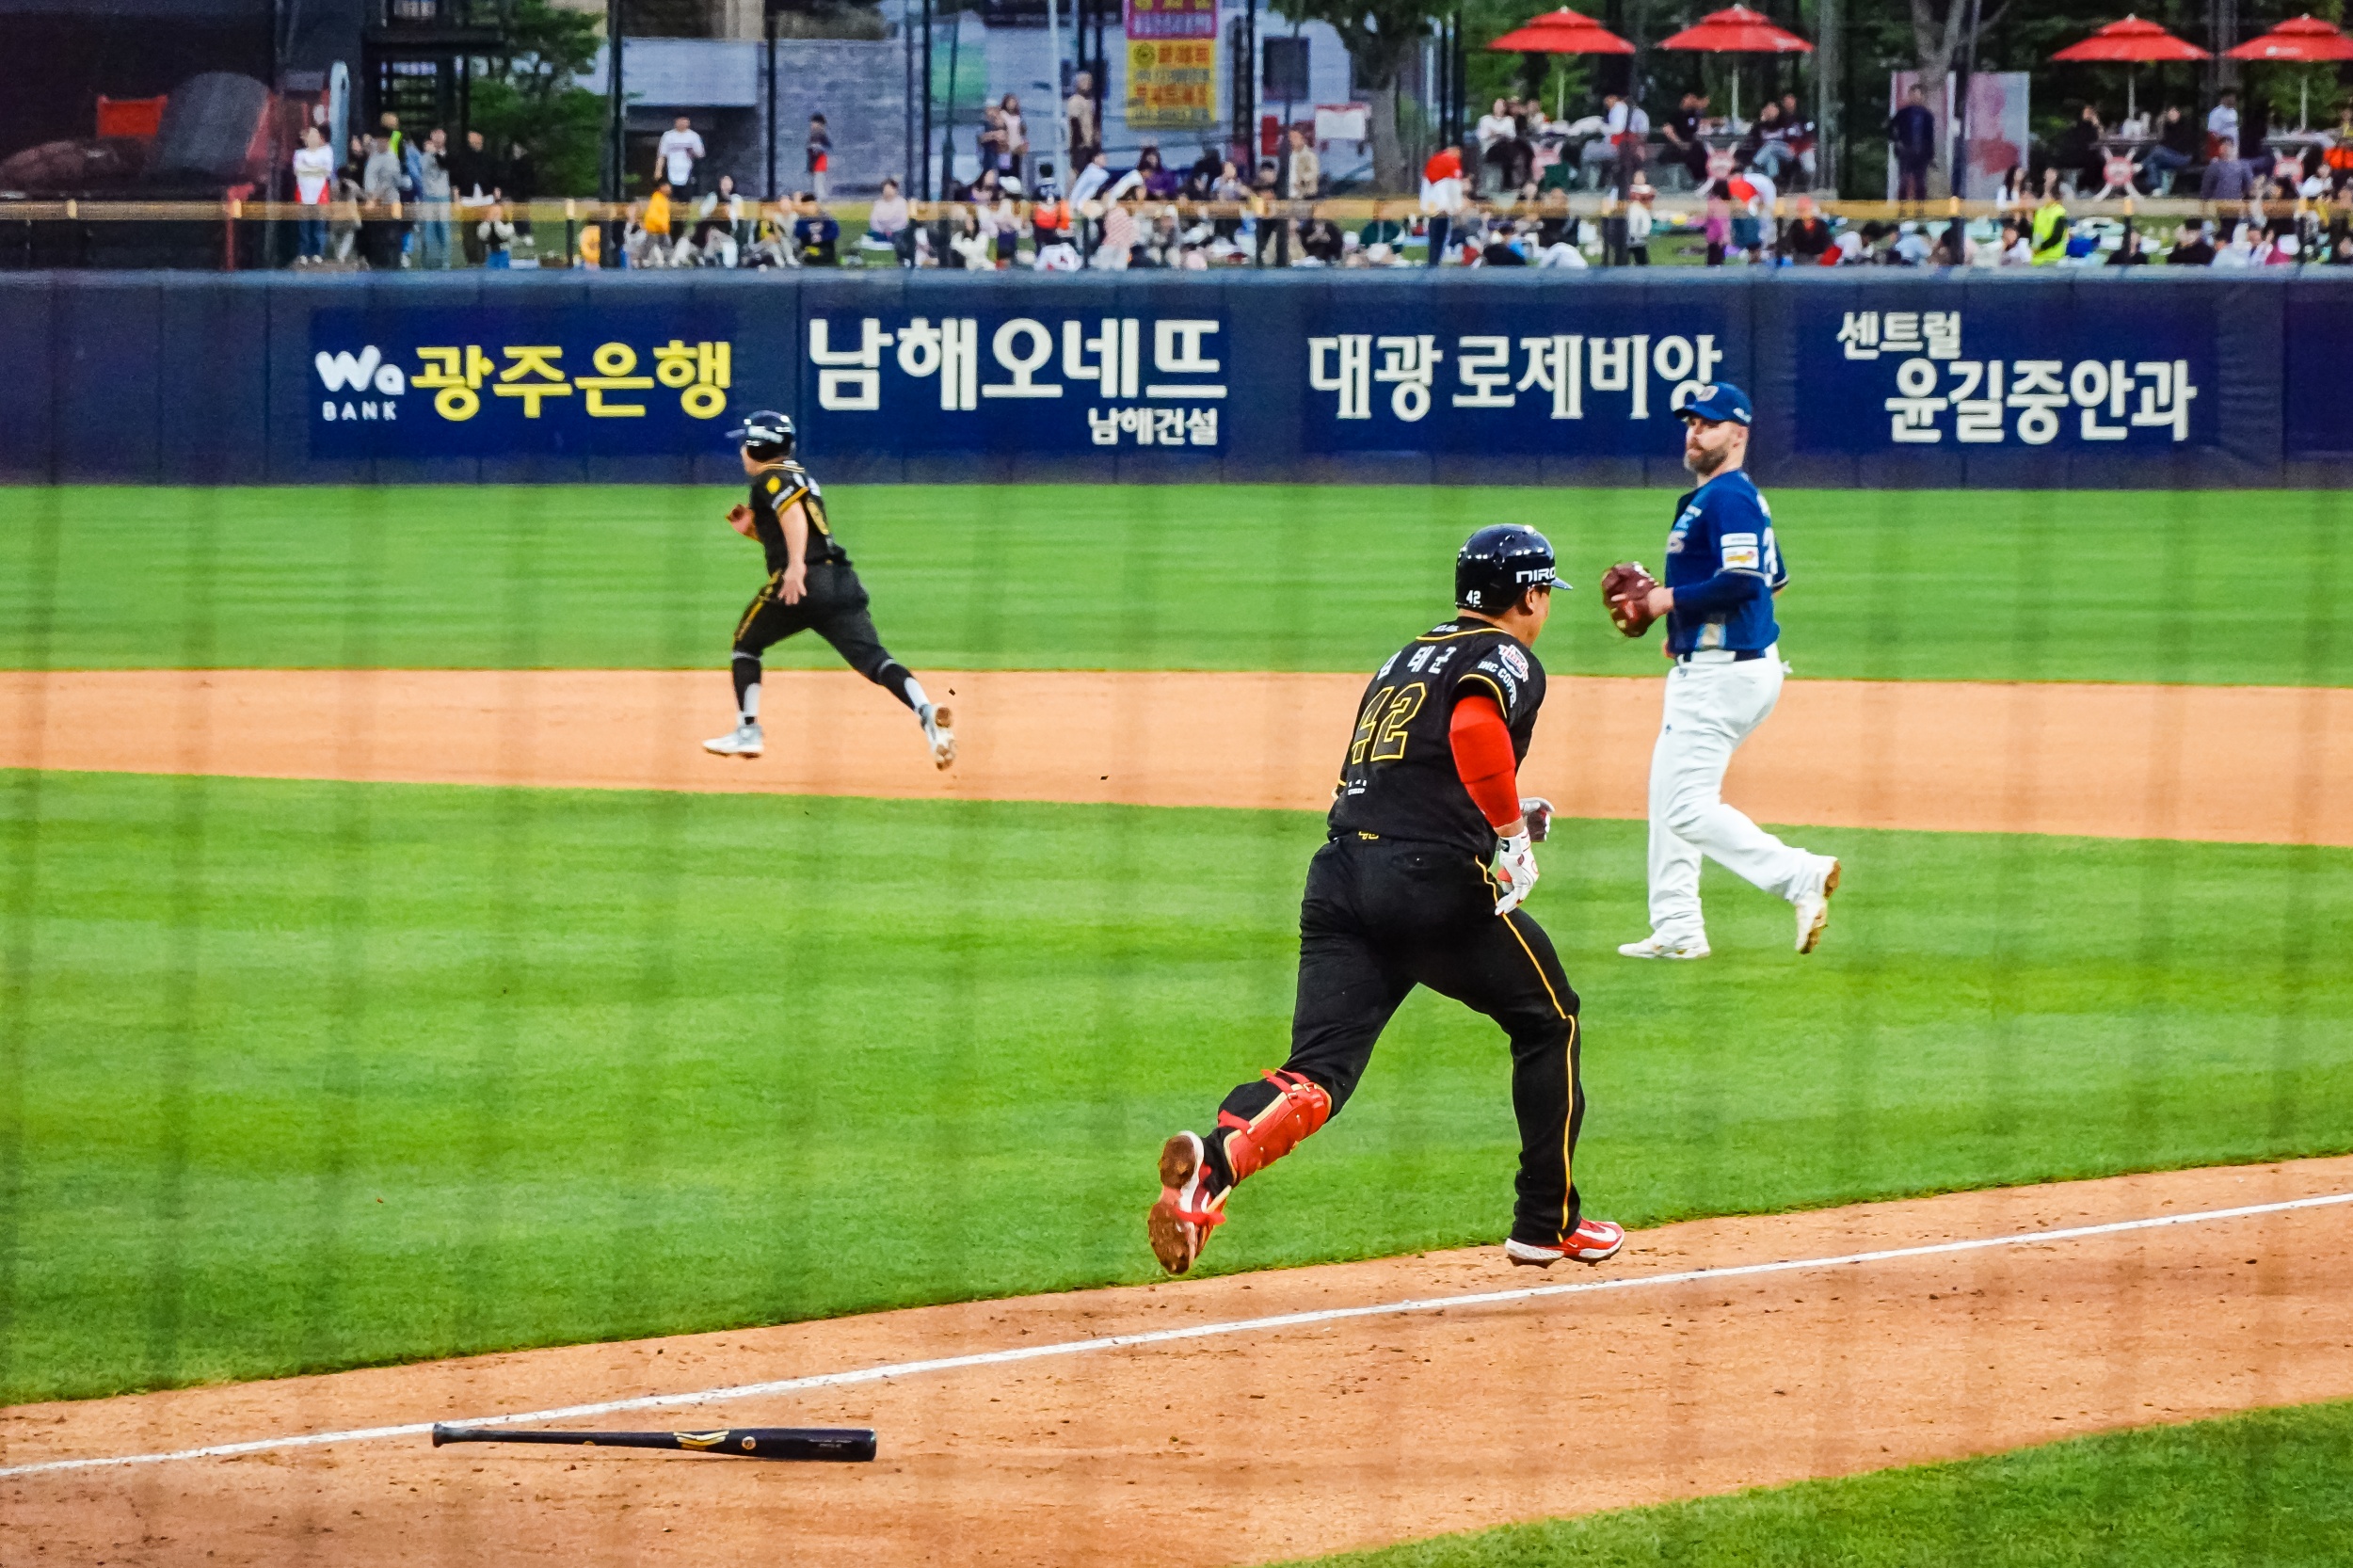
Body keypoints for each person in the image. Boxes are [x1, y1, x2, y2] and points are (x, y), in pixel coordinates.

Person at [1146, 525, 1624, 1277]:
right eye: (1544, 594)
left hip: (1340, 877)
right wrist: (1507, 834)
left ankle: (1212, 1165)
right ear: (1531, 595)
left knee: (1318, 1071)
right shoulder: (1505, 654)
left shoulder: (1404, 657)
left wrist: (1502, 810)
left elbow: (1414, 771)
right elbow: (1472, 726)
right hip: (1427, 886)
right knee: (1549, 1018)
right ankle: (1546, 1222)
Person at [1608, 385, 1839, 962]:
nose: (1695, 433)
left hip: (1721, 677)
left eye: (1709, 424)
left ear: (1739, 435)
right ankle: (1678, 928)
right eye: (1691, 423)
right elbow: (1774, 580)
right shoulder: (1724, 498)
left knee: (1686, 806)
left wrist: (1665, 602)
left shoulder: (1729, 498)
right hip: (1726, 664)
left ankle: (1800, 876)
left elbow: (1743, 581)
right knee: (1669, 796)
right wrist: (1689, 627)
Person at [703, 411, 956, 770]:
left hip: (803, 583)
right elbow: (795, 527)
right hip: (840, 581)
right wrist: (755, 531)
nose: (742, 450)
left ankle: (748, 731)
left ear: (759, 447)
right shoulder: (797, 475)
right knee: (876, 660)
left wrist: (795, 566)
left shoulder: (770, 478)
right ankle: (926, 711)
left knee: (746, 646)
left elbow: (792, 516)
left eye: (746, 443)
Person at [360, 134, 406, 268]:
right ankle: (378, 263)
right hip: (374, 202)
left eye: (383, 141)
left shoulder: (391, 158)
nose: (380, 144)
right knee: (377, 235)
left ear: (387, 142)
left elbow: (388, 182)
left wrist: (374, 198)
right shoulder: (374, 156)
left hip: (390, 202)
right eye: (378, 141)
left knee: (391, 235)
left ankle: (392, 264)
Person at [291, 125, 334, 263]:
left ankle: (318, 253)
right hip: (303, 194)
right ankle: (304, 253)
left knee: (319, 226)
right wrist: (316, 170)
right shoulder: (299, 154)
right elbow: (297, 171)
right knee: (304, 227)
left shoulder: (326, 152)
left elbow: (327, 171)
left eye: (316, 136)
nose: (313, 139)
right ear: (306, 139)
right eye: (310, 137)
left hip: (320, 194)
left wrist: (308, 169)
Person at [1889, 85, 1937, 201]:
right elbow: (1889, 127)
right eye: (1913, 95)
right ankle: (1902, 207)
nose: (1916, 98)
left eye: (1918, 95)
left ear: (1922, 97)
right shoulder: (1902, 113)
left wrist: (1930, 155)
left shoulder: (1927, 115)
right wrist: (1897, 142)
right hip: (1905, 153)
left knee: (1921, 183)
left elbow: (1930, 137)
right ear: (1909, 96)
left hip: (1921, 154)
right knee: (1904, 181)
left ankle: (1920, 208)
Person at [1421, 144, 1465, 266]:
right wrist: (1457, 205)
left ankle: (1433, 260)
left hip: (1431, 202)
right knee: (1441, 231)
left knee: (1433, 233)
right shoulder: (1452, 162)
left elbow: (1426, 181)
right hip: (1443, 203)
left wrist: (1425, 205)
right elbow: (1454, 185)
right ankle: (1436, 259)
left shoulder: (1434, 159)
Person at [2144, 106, 2197, 193]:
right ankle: (2157, 189)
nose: (2171, 114)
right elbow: (2164, 143)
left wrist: (2165, 148)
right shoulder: (2167, 127)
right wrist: (2160, 125)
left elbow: (2177, 146)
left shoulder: (2185, 127)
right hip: (2170, 157)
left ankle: (2141, 165)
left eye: (2173, 112)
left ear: (2178, 114)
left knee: (2158, 150)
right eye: (2170, 112)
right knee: (2152, 163)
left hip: (2183, 157)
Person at [867, 176, 913, 266]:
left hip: (898, 231)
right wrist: (883, 230)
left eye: (890, 188)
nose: (888, 191)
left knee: (900, 237)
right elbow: (873, 221)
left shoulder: (901, 203)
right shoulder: (878, 204)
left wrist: (891, 230)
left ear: (895, 190)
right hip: (880, 232)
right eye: (886, 189)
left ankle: (903, 258)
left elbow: (903, 221)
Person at [657, 115, 704, 198]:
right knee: (670, 197)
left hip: (688, 172)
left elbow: (701, 154)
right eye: (680, 120)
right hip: (670, 171)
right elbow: (662, 155)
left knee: (686, 197)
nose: (682, 123)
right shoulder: (668, 135)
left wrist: (692, 152)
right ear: (676, 122)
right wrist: (658, 171)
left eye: (685, 120)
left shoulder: (694, 136)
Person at [792, 192, 839, 265]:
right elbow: (798, 233)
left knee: (824, 255)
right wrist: (809, 235)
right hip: (808, 247)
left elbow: (834, 232)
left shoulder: (826, 218)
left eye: (812, 205)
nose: (810, 208)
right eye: (807, 206)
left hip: (825, 247)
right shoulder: (801, 220)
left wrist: (822, 237)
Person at [1066, 71, 1098, 166]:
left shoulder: (1090, 101)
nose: (1087, 83)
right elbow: (1074, 121)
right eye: (1084, 81)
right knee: (1079, 167)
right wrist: (1079, 141)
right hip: (1079, 144)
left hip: (1090, 144)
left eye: (1089, 81)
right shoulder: (1074, 100)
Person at [2207, 90, 2240, 162]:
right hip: (2222, 147)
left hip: (2234, 146)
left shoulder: (2234, 112)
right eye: (2230, 98)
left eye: (2234, 98)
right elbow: (2212, 133)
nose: (2233, 100)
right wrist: (2221, 146)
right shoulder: (2216, 113)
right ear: (2224, 98)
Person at [807, 113, 832, 201]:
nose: (812, 125)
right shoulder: (815, 135)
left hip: (819, 161)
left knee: (819, 180)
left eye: (814, 123)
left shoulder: (819, 134)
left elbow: (826, 147)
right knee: (817, 180)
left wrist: (816, 148)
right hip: (816, 161)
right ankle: (820, 196)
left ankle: (821, 197)